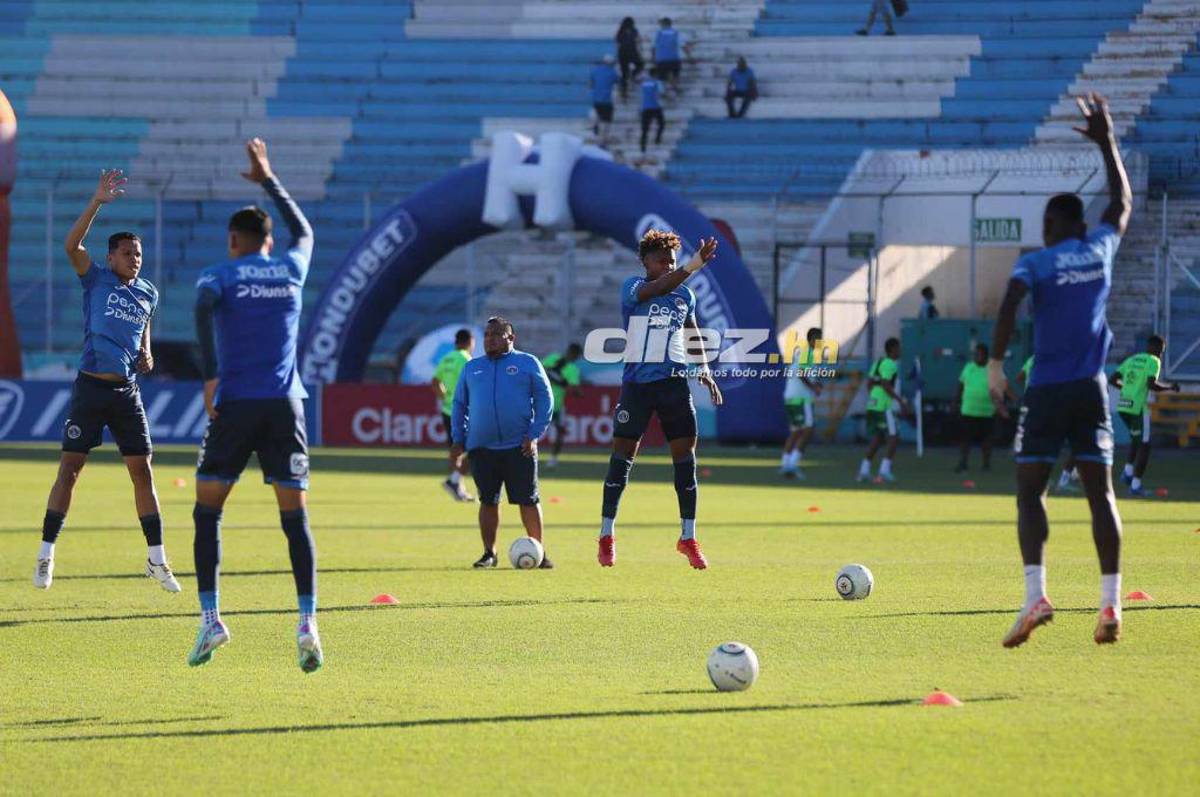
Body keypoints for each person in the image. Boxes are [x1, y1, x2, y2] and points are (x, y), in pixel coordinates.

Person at [988, 93, 1132, 648]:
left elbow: (1009, 304)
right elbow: (1121, 202)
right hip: (1092, 390)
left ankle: (1036, 596)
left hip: (1047, 389)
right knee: (1101, 494)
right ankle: (1111, 603)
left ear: (1053, 223)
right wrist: (1107, 142)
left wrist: (996, 365)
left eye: (1046, 222)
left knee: (1031, 491)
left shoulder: (1037, 261)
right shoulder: (1100, 250)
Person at [189, 138, 323, 672]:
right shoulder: (290, 268)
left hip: (237, 404)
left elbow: (202, 310)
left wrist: (210, 377)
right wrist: (269, 178)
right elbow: (305, 231)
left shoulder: (219, 275)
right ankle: (308, 623)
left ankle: (211, 620)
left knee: (207, 510)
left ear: (233, 241)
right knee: (295, 517)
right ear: (269, 240)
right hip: (287, 405)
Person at [33, 168, 180, 593]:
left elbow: (144, 323)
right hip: (91, 388)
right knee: (70, 470)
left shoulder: (148, 292)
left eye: (139, 253)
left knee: (143, 471)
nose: (135, 259)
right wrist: (97, 202)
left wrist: (147, 349)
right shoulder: (96, 278)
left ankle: (157, 559)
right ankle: (46, 553)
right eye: (127, 253)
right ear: (111, 257)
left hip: (127, 392)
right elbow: (71, 246)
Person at [597, 230, 722, 570]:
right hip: (637, 387)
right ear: (645, 262)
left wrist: (704, 368)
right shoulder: (634, 288)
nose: (668, 265)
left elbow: (693, 335)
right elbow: (659, 288)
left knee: (685, 459)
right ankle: (606, 534)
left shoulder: (685, 295)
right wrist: (692, 266)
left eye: (672, 261)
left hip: (674, 386)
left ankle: (688, 537)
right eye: (661, 260)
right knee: (622, 458)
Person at [450, 317, 554, 569]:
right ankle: (489, 553)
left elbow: (545, 400)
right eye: (487, 335)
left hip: (520, 446)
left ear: (511, 338)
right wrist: (458, 439)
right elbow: (459, 404)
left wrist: (534, 434)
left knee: (528, 500)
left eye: (496, 334)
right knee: (488, 500)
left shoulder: (527, 363)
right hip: (481, 447)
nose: (490, 339)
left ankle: (539, 552)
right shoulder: (472, 368)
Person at [1110, 335, 1180, 497]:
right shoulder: (1153, 361)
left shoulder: (1132, 359)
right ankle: (1135, 485)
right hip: (1138, 409)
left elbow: (1112, 380)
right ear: (1154, 348)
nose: (1160, 355)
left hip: (1123, 406)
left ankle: (1127, 472)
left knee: (1137, 439)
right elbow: (1151, 385)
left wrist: (1128, 389)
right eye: (1161, 351)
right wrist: (1170, 387)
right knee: (1145, 445)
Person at [1018, 355, 1080, 493]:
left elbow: (1019, 378)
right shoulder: (1058, 359)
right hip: (1053, 404)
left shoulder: (1033, 359)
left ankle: (1042, 478)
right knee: (1077, 442)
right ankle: (1063, 479)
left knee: (1040, 443)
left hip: (1033, 402)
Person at [432, 328, 475, 501]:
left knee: (455, 450)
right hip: (463, 411)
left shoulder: (446, 358)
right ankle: (454, 481)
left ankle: (457, 486)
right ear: (469, 341)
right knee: (477, 449)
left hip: (448, 410)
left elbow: (435, 381)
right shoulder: (465, 359)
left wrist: (445, 398)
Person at [857, 337, 907, 483]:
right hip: (884, 407)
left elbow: (869, 383)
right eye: (898, 348)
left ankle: (864, 471)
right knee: (894, 436)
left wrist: (874, 397)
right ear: (893, 349)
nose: (900, 351)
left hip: (872, 405)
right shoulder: (891, 364)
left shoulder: (878, 362)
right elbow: (886, 384)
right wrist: (900, 401)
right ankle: (884, 471)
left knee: (878, 438)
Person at [780, 327, 823, 479]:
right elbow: (801, 372)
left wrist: (816, 384)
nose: (820, 342)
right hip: (801, 398)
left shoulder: (803, 353)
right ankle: (792, 465)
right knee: (808, 430)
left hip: (790, 397)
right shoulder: (808, 353)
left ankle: (785, 464)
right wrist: (813, 387)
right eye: (817, 339)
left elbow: (806, 373)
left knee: (796, 431)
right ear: (810, 339)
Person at [954, 343, 1002, 472]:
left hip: (987, 411)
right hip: (968, 410)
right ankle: (963, 463)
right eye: (975, 354)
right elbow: (960, 384)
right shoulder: (969, 367)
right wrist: (956, 402)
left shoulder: (992, 370)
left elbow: (999, 389)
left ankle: (986, 465)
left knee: (987, 440)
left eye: (979, 354)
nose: (976, 357)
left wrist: (999, 406)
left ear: (986, 355)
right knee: (965, 439)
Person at [542, 342, 584, 468]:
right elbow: (574, 389)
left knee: (558, 431)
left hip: (544, 403)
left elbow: (539, 371)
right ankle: (553, 459)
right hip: (553, 405)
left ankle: (551, 459)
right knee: (559, 431)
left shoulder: (553, 358)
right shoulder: (572, 369)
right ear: (576, 355)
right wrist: (570, 388)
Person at [653, 17, 688, 94]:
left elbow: (653, 47)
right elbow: (683, 46)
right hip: (674, 59)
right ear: (670, 24)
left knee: (661, 78)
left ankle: (663, 91)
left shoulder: (658, 33)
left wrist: (654, 58)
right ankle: (675, 87)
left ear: (662, 24)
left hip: (661, 59)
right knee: (675, 75)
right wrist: (689, 56)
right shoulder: (676, 33)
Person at [589, 54, 620, 140]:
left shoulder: (595, 71)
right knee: (607, 121)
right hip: (607, 101)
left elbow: (590, 85)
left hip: (596, 100)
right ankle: (603, 139)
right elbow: (618, 82)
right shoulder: (613, 72)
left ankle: (596, 125)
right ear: (612, 63)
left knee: (598, 115)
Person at [615, 16, 644, 101]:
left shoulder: (621, 30)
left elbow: (617, 40)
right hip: (630, 51)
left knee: (625, 73)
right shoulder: (633, 30)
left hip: (623, 53)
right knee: (640, 65)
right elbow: (637, 39)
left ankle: (624, 92)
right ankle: (632, 76)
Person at [640, 71, 666, 153]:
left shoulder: (644, 83)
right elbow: (661, 93)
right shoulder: (657, 83)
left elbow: (642, 95)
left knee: (645, 129)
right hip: (655, 106)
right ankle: (657, 139)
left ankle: (643, 146)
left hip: (645, 107)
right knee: (662, 124)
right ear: (656, 74)